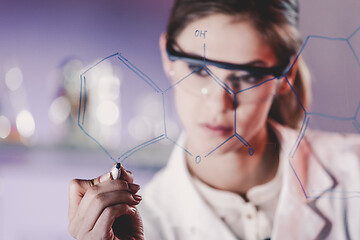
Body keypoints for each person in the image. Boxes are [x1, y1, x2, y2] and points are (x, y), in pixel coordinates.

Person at [68, 0, 360, 239]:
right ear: (168, 56)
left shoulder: (353, 170)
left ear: (287, 76)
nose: (219, 104)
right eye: (200, 70)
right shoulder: (138, 227)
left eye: (248, 76)